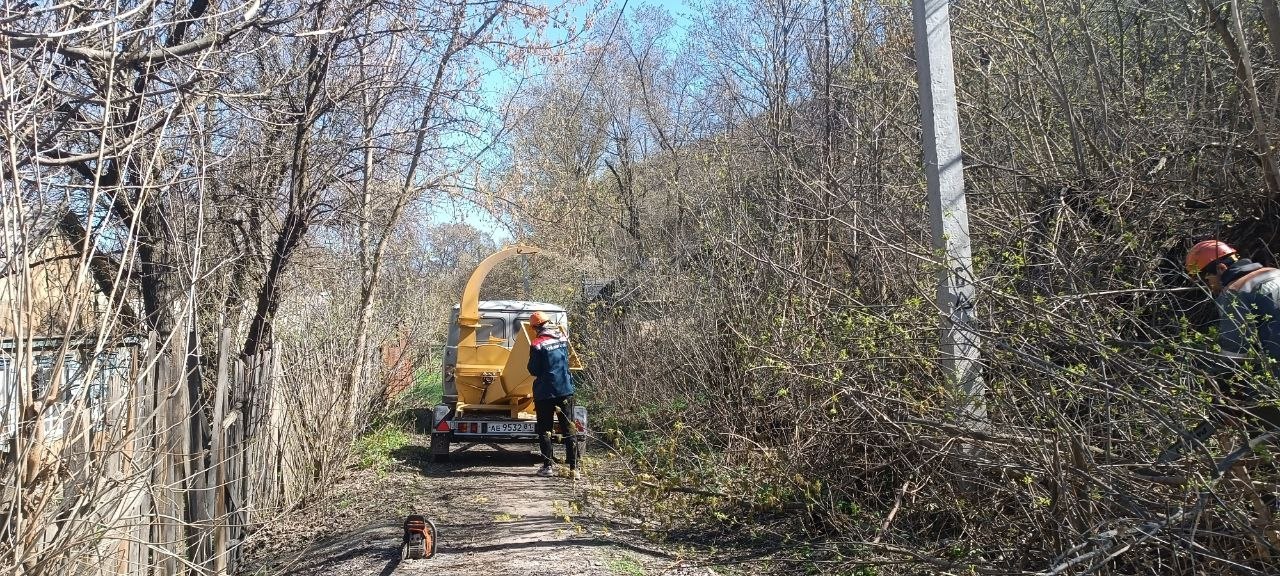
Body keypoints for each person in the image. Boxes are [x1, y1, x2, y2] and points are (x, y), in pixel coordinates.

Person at [1185, 239, 1280, 365]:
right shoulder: (1274, 272)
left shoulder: (1234, 293)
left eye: (1207, 279)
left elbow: (1234, 354)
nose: (1209, 287)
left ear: (1221, 268)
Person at [526, 310, 579, 479]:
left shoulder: (537, 344)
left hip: (545, 393)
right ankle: (574, 469)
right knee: (569, 430)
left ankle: (547, 467)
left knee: (545, 430)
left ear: (534, 327)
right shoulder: (563, 339)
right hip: (565, 390)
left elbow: (533, 370)